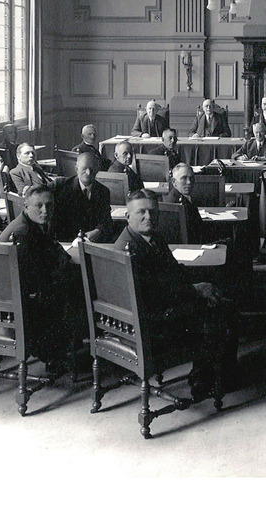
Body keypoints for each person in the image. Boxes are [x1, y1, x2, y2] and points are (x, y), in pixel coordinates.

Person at [114, 189, 238, 394]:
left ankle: (211, 373)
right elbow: (154, 295)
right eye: (141, 212)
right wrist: (196, 290)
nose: (149, 217)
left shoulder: (153, 238)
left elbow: (173, 273)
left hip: (156, 310)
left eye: (153, 212)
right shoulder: (128, 250)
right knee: (222, 309)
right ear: (128, 216)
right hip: (150, 324)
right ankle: (206, 380)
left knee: (220, 301)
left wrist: (202, 283)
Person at [0, 185, 86, 368]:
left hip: (27, 287)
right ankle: (54, 354)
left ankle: (68, 345)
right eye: (39, 206)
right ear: (26, 206)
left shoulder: (35, 223)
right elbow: (37, 275)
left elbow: (53, 251)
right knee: (75, 285)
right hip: (16, 297)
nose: (45, 211)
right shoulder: (22, 232)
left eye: (49, 205)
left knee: (75, 279)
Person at [51, 152, 113, 242]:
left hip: (91, 243)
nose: (88, 172)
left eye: (92, 169)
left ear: (98, 169)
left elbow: (106, 220)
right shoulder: (60, 186)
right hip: (64, 241)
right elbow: (37, 192)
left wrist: (98, 230)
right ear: (76, 169)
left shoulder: (103, 191)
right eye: (84, 169)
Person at [164, 162, 204, 244]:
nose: (189, 182)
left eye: (191, 178)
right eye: (184, 178)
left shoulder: (184, 198)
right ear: (174, 181)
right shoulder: (175, 204)